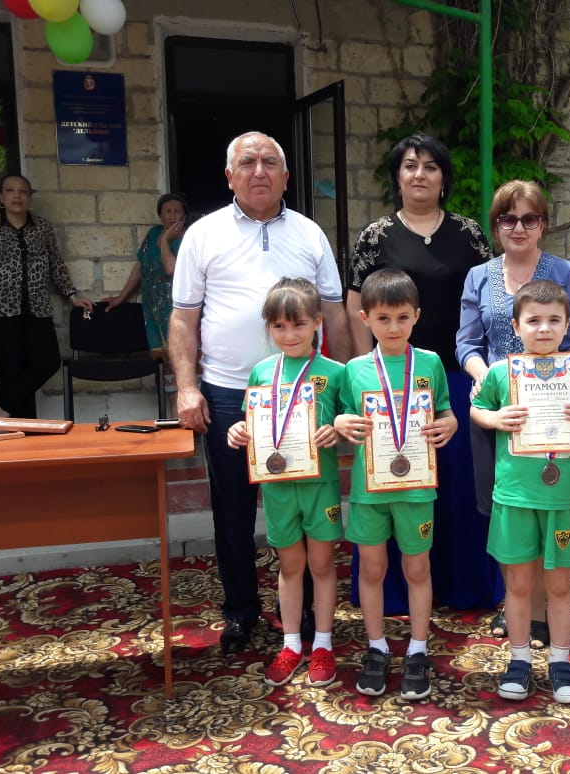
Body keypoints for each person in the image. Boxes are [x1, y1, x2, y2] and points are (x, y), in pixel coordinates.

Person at [170, 131, 350, 656]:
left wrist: (345, 383)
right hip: (230, 392)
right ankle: (240, 611)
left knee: (307, 501)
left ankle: (309, 612)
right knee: (233, 509)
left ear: (286, 177)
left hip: (305, 392)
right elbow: (183, 318)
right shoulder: (202, 234)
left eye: (270, 162)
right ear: (229, 176)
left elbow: (335, 312)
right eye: (247, 162)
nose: (259, 171)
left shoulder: (310, 234)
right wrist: (187, 387)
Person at [347, 133, 496, 613]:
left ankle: (463, 587)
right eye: (410, 165)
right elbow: (355, 306)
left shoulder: (469, 233)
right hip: (389, 383)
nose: (420, 174)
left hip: (454, 376)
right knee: (395, 483)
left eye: (431, 166)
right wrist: (363, 373)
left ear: (443, 178)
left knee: (457, 488)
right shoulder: (376, 236)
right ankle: (392, 592)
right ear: (397, 176)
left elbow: (487, 302)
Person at [457, 179, 570, 647]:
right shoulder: (478, 276)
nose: (519, 227)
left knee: (548, 504)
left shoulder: (565, 273)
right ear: (496, 225)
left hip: (554, 407)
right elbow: (467, 342)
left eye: (529, 218)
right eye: (508, 218)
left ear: (543, 224)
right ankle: (513, 598)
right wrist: (484, 376)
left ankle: (538, 611)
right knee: (504, 506)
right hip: (501, 408)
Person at [470, 279, 570, 704]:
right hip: (514, 496)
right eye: (533, 320)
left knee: (560, 584)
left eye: (553, 320)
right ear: (516, 326)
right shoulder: (499, 372)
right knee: (519, 584)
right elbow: (477, 409)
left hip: (560, 497)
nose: (544, 328)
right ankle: (520, 659)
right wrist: (494, 419)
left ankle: (561, 662)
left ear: (567, 325)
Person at [335, 269, 456, 700]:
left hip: (417, 489)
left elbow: (445, 412)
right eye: (383, 319)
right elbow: (342, 415)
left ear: (416, 316)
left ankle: (418, 649)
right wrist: (341, 422)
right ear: (365, 318)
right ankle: (377, 646)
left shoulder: (431, 363)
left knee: (417, 568)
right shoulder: (354, 370)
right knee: (372, 569)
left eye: (403, 317)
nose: (393, 328)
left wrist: (449, 424)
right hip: (370, 490)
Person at [225, 278, 345, 688]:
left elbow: (351, 424)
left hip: (320, 485)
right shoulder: (262, 372)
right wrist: (239, 430)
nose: (289, 335)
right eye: (279, 326)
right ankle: (291, 644)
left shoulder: (336, 372)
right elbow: (252, 424)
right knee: (290, 566)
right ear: (268, 328)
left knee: (321, 565)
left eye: (298, 325)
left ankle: (323, 644)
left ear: (317, 323)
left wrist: (338, 429)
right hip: (277, 487)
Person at [0, 175, 92, 418]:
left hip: (37, 309)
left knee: (48, 362)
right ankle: (17, 429)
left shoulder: (42, 227)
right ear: (1, 198)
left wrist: (72, 295)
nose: (17, 195)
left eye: (23, 191)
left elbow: (56, 263)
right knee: (12, 371)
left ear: (30, 197)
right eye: (10, 191)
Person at [102, 193, 188, 389]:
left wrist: (165, 241)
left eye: (177, 211)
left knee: (181, 376)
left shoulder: (187, 239)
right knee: (164, 373)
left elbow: (171, 269)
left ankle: (183, 408)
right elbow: (141, 266)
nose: (172, 215)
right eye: (168, 211)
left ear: (184, 217)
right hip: (153, 312)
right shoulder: (154, 233)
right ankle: (171, 408)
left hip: (176, 313)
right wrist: (121, 297)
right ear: (160, 217)